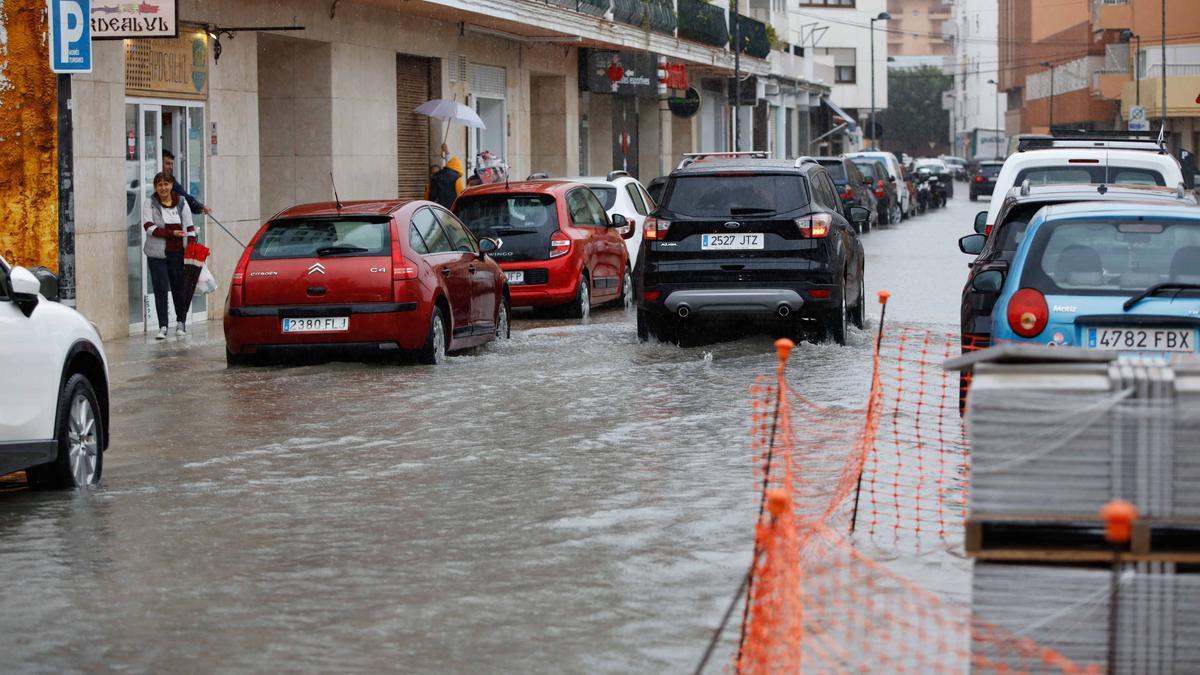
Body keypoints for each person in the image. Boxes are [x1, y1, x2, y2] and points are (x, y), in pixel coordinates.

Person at [143, 171, 196, 339]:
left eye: (166, 184)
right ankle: (163, 326)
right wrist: (172, 234)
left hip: (178, 254)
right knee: (160, 289)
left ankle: (181, 323)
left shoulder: (181, 202)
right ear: (155, 187)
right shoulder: (149, 203)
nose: (163, 188)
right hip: (157, 255)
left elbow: (189, 226)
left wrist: (191, 247)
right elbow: (149, 227)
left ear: (172, 185)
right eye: (159, 185)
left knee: (179, 289)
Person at [162, 150, 211, 215]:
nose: (171, 167)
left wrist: (199, 206)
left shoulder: (170, 180)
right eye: (168, 163)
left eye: (172, 164)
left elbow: (183, 195)